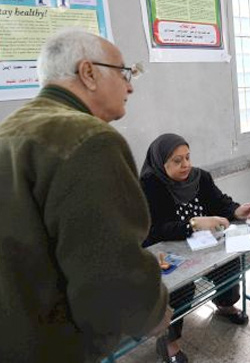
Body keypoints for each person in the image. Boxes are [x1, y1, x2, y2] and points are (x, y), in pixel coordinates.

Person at [0, 29, 170, 362]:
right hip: (53, 345)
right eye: (125, 73)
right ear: (88, 73)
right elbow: (109, 270)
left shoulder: (11, 130)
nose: (130, 86)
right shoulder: (90, 139)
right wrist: (151, 311)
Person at [140, 133, 250, 363]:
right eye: (177, 160)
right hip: (167, 251)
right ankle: (168, 343)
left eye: (188, 157)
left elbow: (220, 203)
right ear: (160, 162)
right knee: (181, 288)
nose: (186, 165)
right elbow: (154, 231)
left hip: (202, 246)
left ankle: (224, 305)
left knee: (230, 261)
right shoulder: (149, 185)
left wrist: (236, 210)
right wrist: (193, 224)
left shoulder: (200, 178)